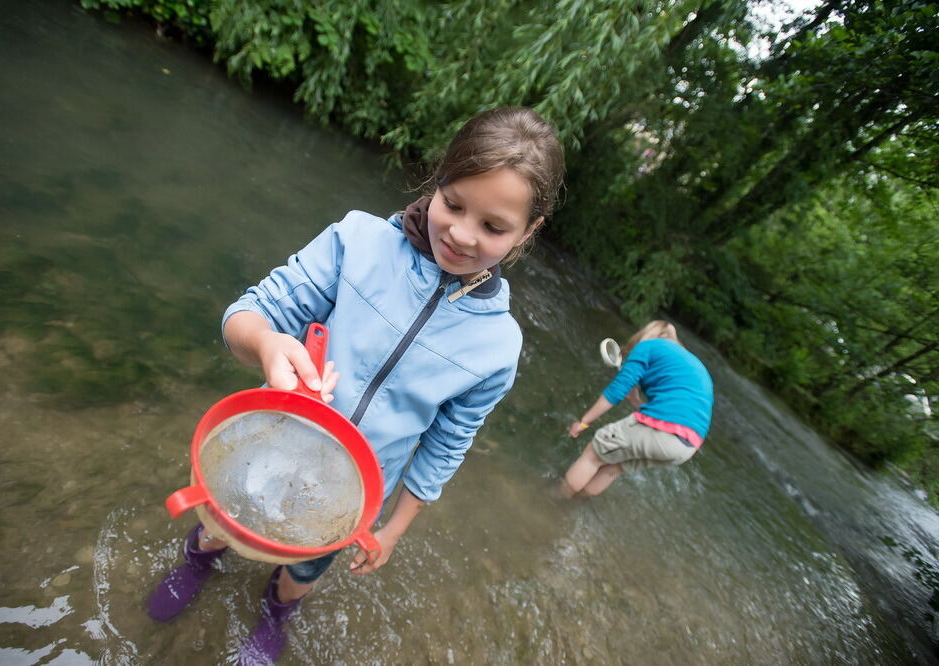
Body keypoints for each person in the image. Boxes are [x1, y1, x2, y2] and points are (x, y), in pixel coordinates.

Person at [147, 107, 565, 664]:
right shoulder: (358, 242)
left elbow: (447, 445)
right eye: (454, 203)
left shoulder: (497, 347)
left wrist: (392, 529)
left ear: (528, 231)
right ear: (438, 180)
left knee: (304, 568)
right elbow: (248, 313)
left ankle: (277, 611)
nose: (461, 235)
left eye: (493, 227)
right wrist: (269, 344)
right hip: (271, 443)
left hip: (353, 497)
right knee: (222, 521)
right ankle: (196, 564)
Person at [561, 320, 713, 498]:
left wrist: (583, 422)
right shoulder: (691, 363)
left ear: (646, 334)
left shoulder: (649, 346)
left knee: (593, 454)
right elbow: (679, 410)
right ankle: (574, 506)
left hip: (665, 429)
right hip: (687, 446)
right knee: (614, 467)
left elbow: (616, 391)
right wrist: (636, 402)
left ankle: (553, 500)